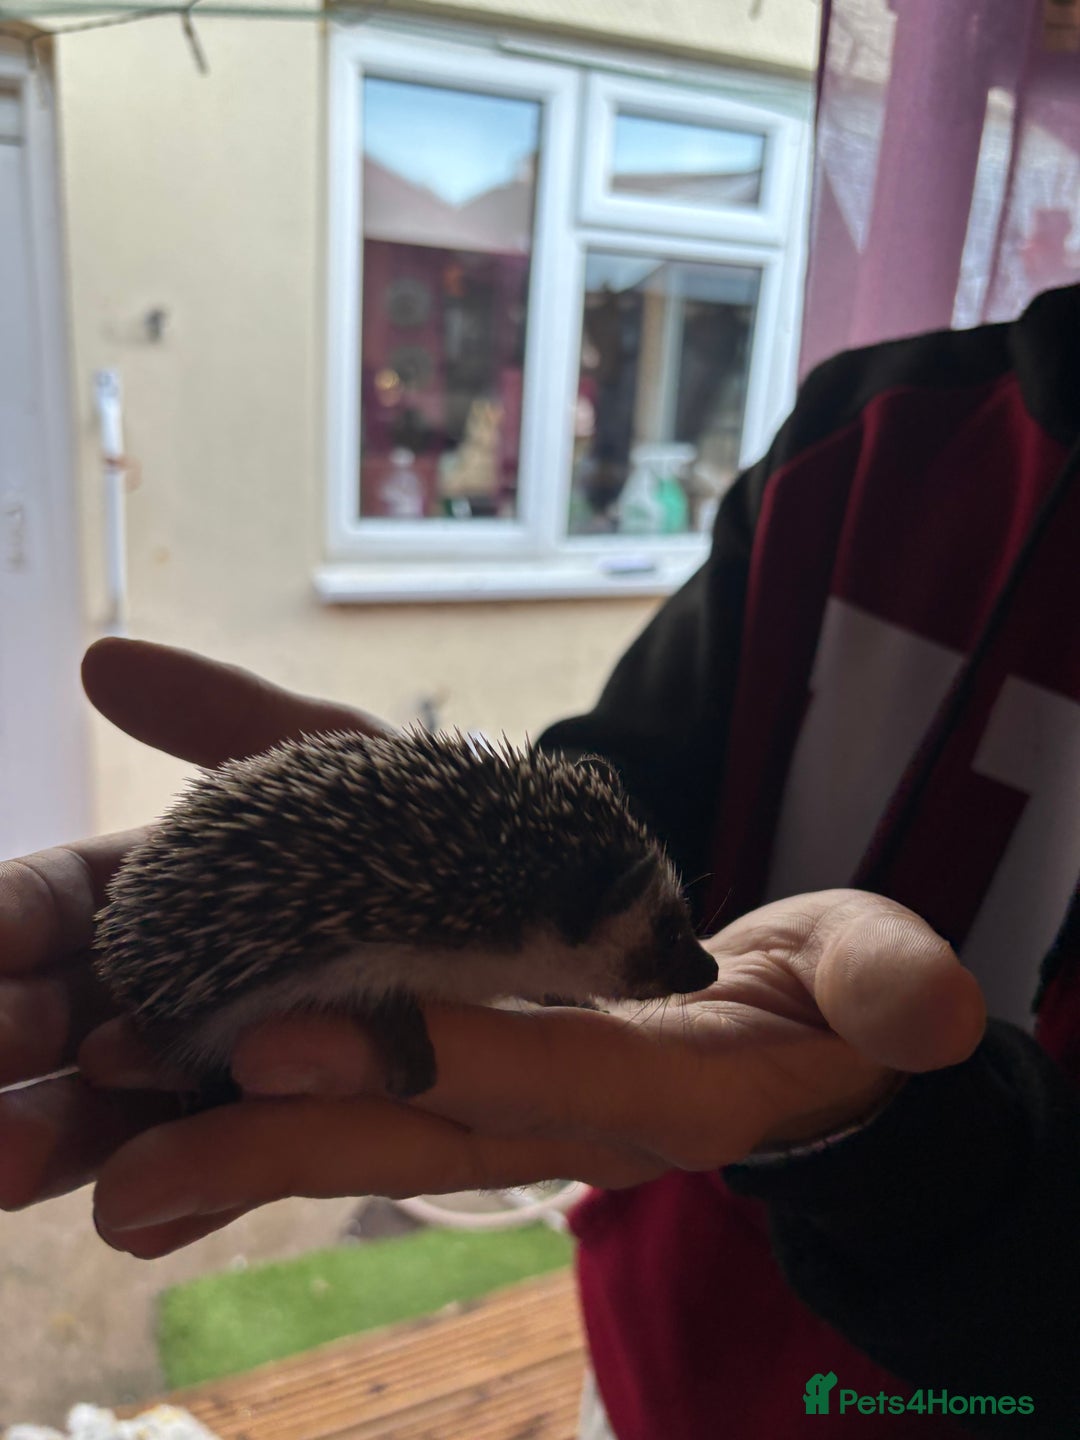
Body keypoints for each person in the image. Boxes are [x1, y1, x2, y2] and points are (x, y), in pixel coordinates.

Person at [1, 282, 1078, 1438]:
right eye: (664, 940)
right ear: (541, 925)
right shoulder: (857, 436)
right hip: (648, 1350)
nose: (689, 968)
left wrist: (921, 1154)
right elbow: (611, 786)